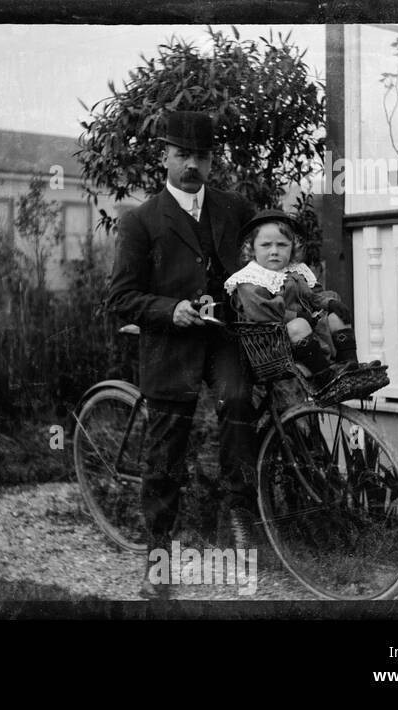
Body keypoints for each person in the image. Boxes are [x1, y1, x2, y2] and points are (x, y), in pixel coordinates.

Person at [106, 110, 258, 600]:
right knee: (165, 451)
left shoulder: (235, 209)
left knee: (239, 401)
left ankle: (238, 515)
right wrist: (171, 310)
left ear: (213, 161)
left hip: (222, 340)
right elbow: (121, 298)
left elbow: (270, 258)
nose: (192, 164)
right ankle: (158, 559)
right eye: (182, 155)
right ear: (165, 157)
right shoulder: (140, 222)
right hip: (171, 348)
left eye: (202, 156)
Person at [224, 209, 367, 390]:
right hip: (272, 343)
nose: (274, 251)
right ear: (251, 248)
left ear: (293, 247)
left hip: (306, 335)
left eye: (282, 245)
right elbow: (264, 313)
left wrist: (328, 303)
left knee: (336, 317)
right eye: (266, 245)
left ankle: (349, 370)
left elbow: (312, 295)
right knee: (299, 325)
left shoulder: (296, 270)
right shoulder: (250, 279)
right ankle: (325, 378)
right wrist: (298, 316)